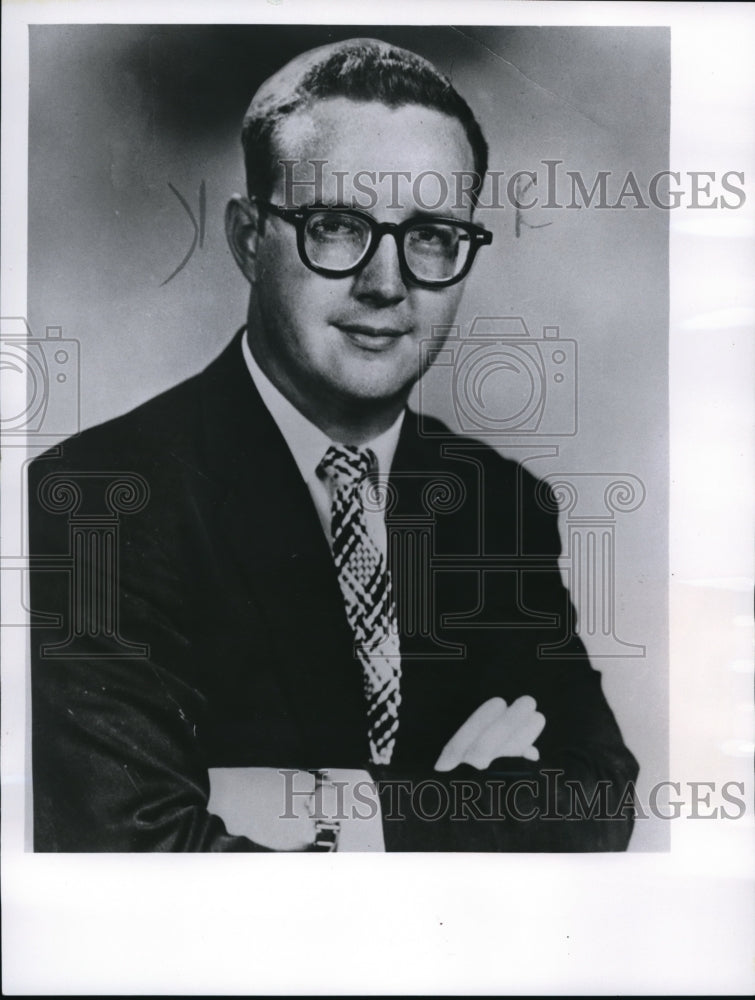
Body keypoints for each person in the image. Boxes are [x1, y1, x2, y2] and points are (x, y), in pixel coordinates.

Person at [29, 38, 638, 852]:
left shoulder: (496, 502)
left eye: (430, 235)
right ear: (249, 238)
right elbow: (135, 849)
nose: (385, 282)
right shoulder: (99, 498)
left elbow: (594, 803)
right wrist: (452, 804)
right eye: (338, 225)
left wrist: (321, 808)